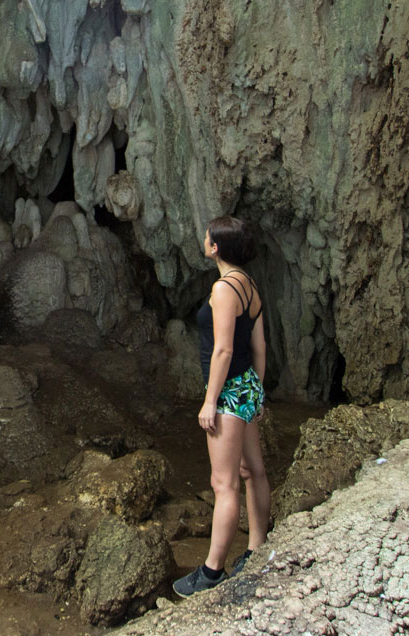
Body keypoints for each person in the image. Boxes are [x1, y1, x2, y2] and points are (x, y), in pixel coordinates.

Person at [172, 215, 270, 598]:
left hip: (228, 393)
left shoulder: (224, 289)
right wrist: (257, 392)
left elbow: (224, 350)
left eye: (207, 235)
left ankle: (212, 572)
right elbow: (259, 347)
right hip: (246, 387)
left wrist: (210, 401)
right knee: (253, 471)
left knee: (223, 483)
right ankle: (257, 547)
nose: (204, 237)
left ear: (216, 248)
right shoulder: (249, 285)